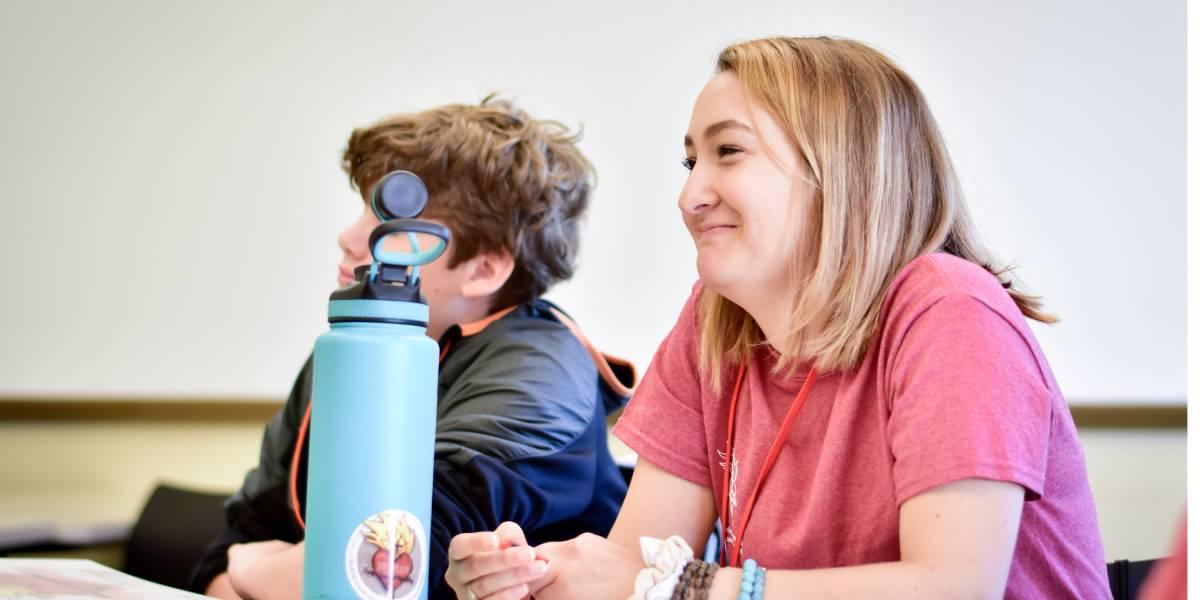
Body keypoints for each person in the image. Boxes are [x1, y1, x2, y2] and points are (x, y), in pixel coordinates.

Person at [446, 36, 1110, 599]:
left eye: (727, 152)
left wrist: (679, 585)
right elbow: (634, 568)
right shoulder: (716, 320)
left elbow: (951, 587)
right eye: (690, 160)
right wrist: (533, 574)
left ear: (844, 168)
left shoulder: (950, 309)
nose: (689, 196)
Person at [188, 97, 635, 600]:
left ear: (483, 269)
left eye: (390, 219)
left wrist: (253, 572)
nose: (350, 237)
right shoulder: (352, 349)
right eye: (363, 209)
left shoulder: (543, 372)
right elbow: (228, 550)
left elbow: (394, 564)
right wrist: (251, 569)